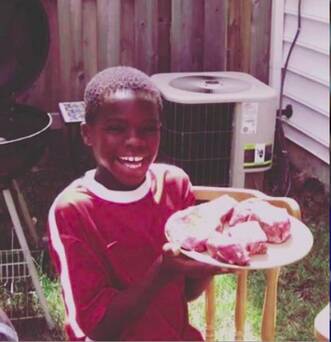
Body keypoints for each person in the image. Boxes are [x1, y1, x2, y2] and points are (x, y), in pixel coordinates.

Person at [47, 66, 227, 340]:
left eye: (148, 129)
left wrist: (208, 265)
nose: (134, 141)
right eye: (116, 129)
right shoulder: (74, 211)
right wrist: (162, 269)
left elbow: (186, 292)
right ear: (87, 133)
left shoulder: (174, 185)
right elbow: (98, 329)